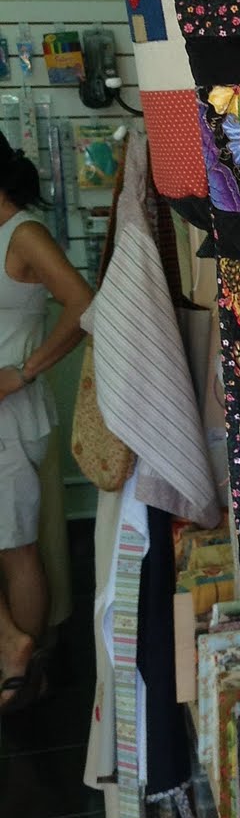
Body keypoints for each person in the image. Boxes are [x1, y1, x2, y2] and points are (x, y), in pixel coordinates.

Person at [0, 134, 92, 709]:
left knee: (18, 549)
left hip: (10, 418)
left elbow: (84, 303)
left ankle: (24, 669)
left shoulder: (23, 234)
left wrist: (23, 372)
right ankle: (13, 646)